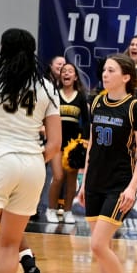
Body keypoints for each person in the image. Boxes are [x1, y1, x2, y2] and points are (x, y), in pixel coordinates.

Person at [0, 28, 61, 273]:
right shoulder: (47, 88)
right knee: (10, 244)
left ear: (2, 49)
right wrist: (35, 160)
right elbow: (55, 144)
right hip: (34, 167)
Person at [77, 53, 137, 273]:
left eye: (111, 70)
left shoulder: (135, 108)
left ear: (126, 77)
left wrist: (132, 187)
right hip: (94, 182)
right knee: (103, 248)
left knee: (97, 244)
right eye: (104, 70)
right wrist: (83, 182)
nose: (105, 74)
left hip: (118, 184)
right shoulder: (97, 102)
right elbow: (91, 146)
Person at [46, 63, 89, 224]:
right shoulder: (54, 94)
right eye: (64, 71)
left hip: (73, 145)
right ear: (60, 76)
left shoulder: (80, 96)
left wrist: (84, 140)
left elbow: (86, 121)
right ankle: (51, 209)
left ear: (75, 77)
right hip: (56, 142)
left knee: (71, 179)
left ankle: (68, 211)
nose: (66, 73)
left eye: (70, 71)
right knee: (58, 177)